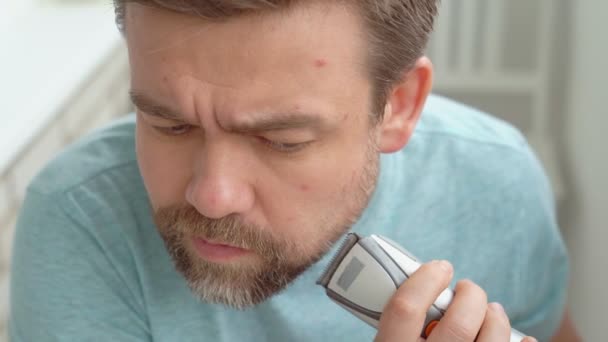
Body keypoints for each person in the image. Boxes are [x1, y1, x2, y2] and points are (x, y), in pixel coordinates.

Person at [9, 1, 579, 341]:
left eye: (282, 140)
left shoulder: (497, 181)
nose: (212, 196)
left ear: (398, 106)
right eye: (169, 125)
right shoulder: (78, 218)